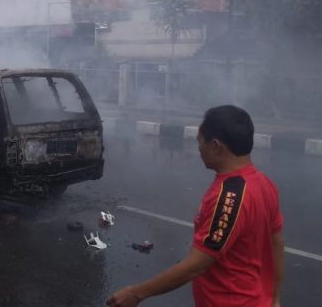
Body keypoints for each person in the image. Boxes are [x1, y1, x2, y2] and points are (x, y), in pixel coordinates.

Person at [107, 105, 284, 307]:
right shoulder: (264, 183)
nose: (198, 148)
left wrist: (136, 293)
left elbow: (196, 265)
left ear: (216, 146)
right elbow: (277, 243)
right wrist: (275, 297)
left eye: (200, 141)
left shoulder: (228, 197)